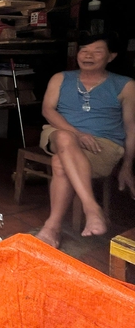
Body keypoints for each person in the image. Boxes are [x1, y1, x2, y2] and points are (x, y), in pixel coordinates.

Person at [35, 32, 135, 248]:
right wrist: (78, 134)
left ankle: (52, 228)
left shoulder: (125, 85)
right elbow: (47, 110)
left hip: (104, 145)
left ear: (111, 56)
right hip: (58, 131)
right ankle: (92, 208)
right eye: (84, 50)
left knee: (60, 163)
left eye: (97, 51)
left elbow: (131, 126)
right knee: (63, 137)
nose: (88, 56)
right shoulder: (61, 78)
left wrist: (127, 165)